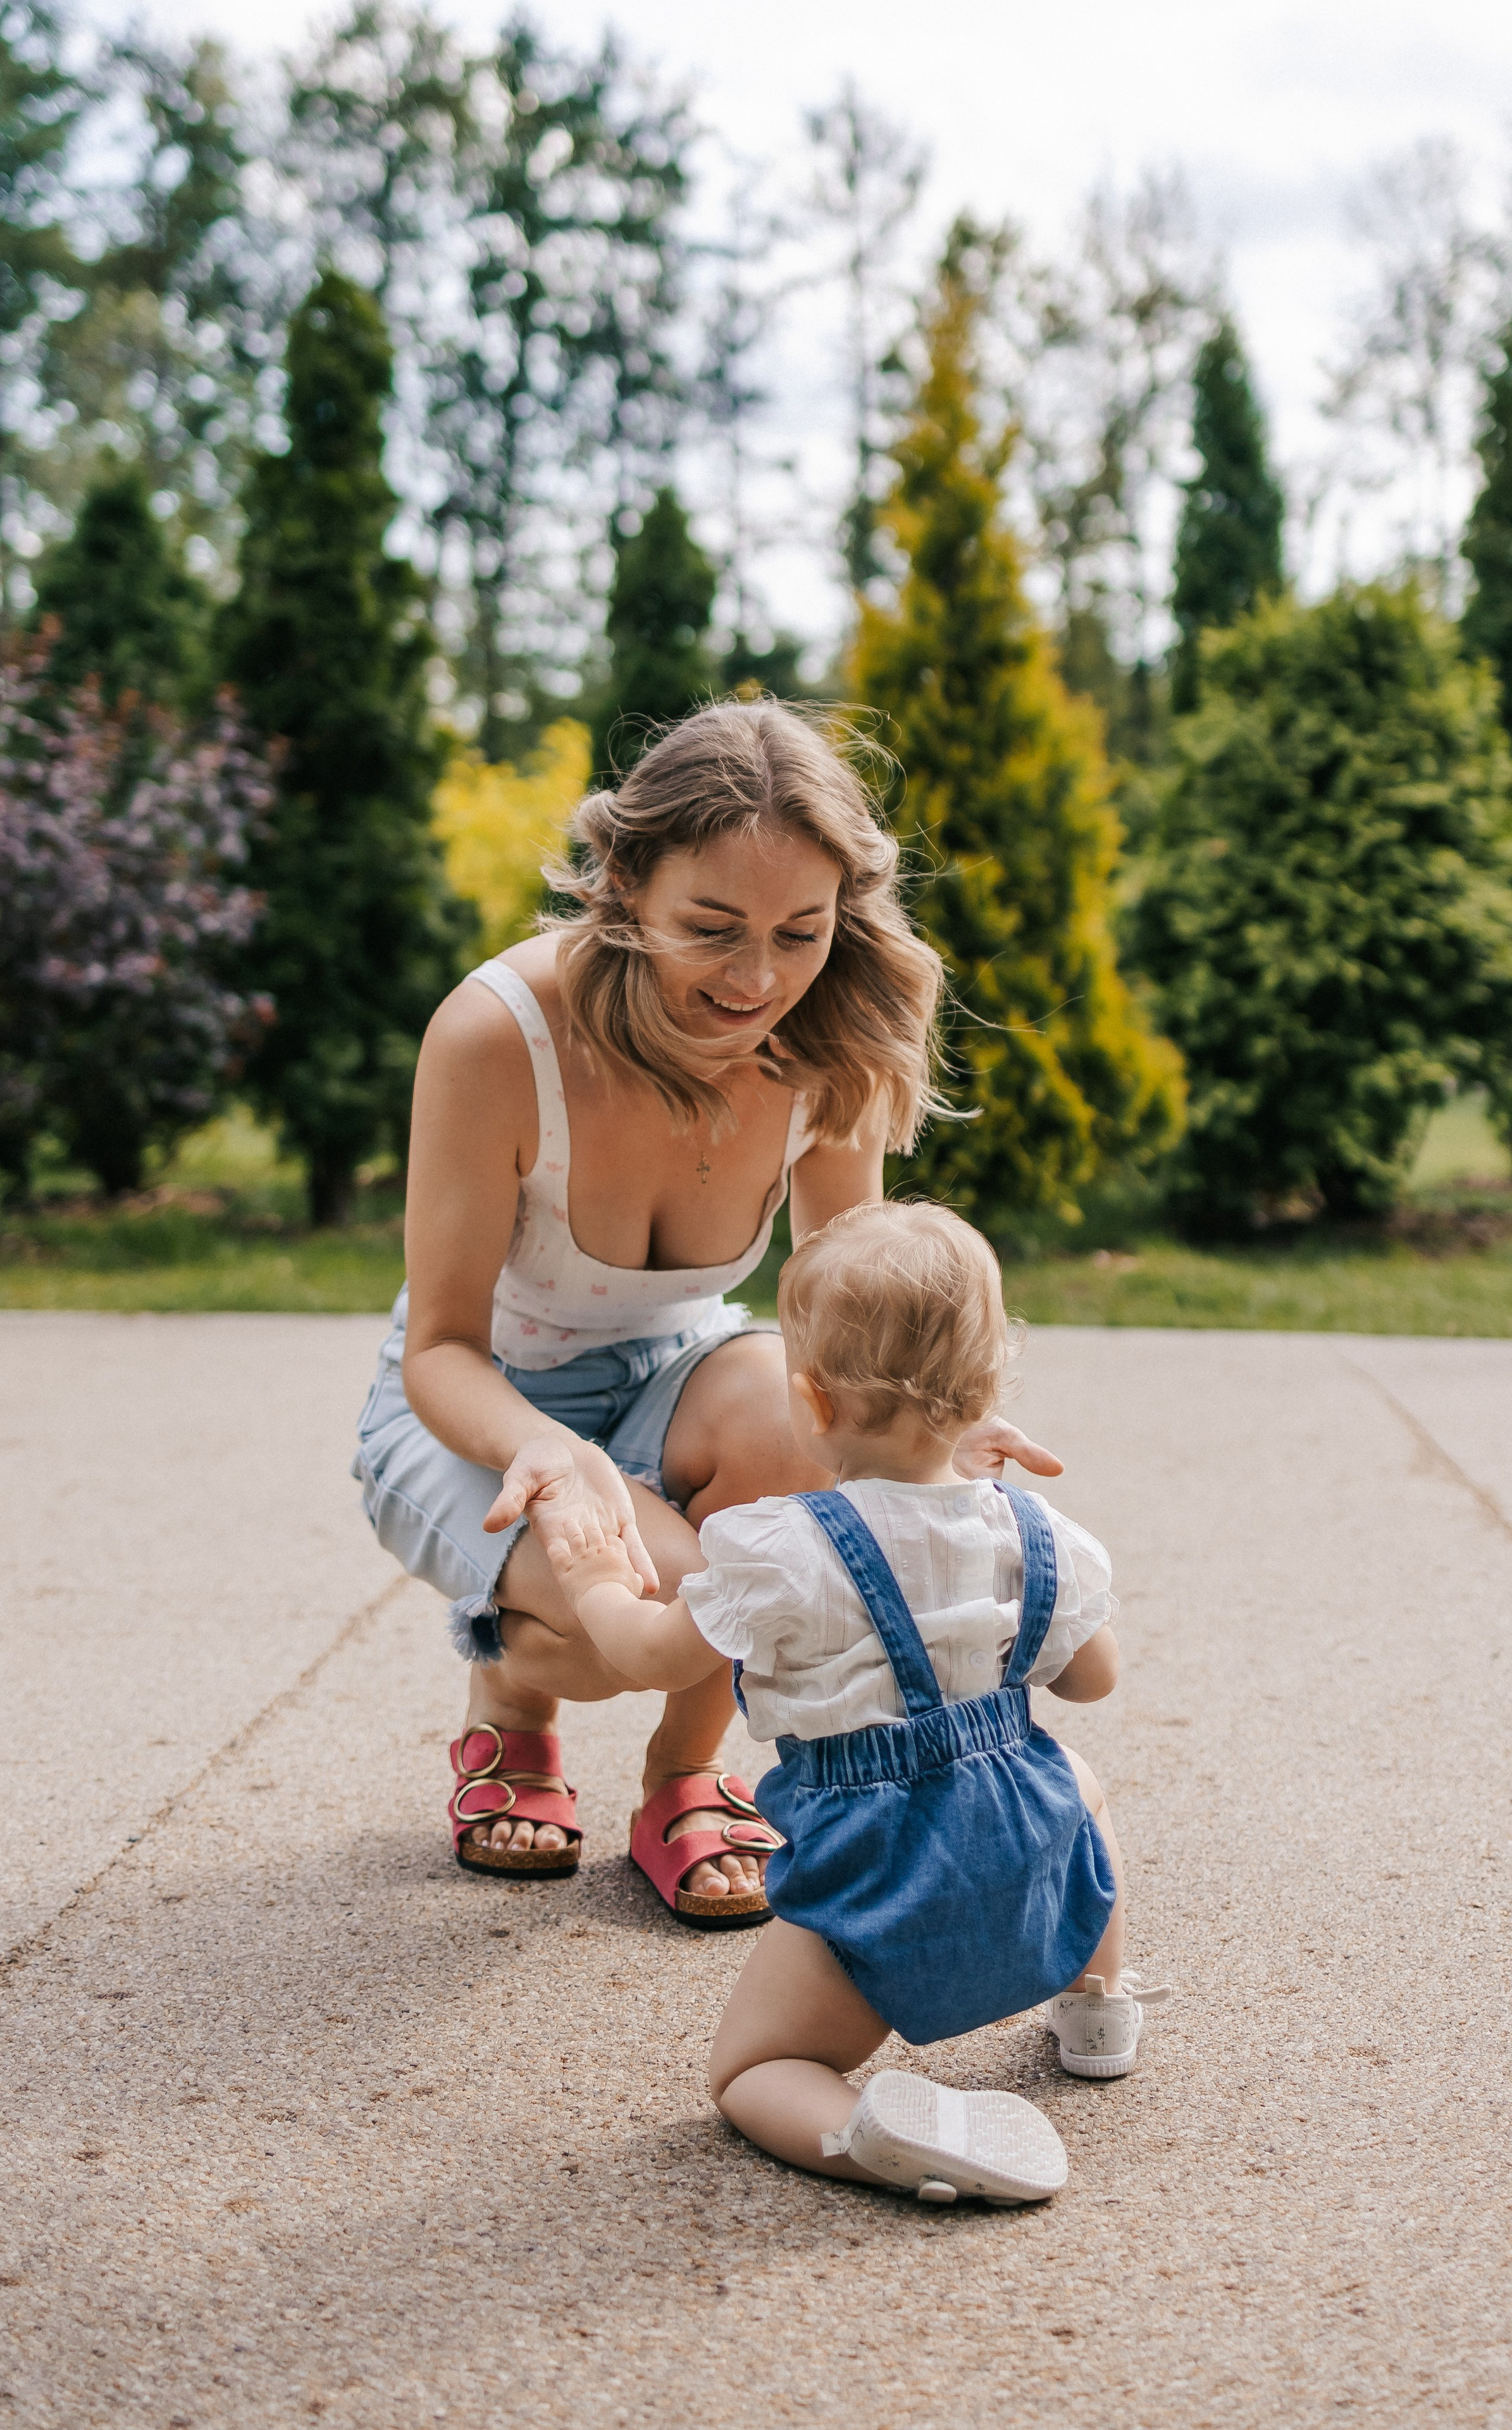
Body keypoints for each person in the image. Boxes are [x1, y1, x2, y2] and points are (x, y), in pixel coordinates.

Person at [351, 700, 1062, 1920]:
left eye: (802, 932)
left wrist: (934, 1446)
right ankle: (515, 1707)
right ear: (626, 881)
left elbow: (856, 1319)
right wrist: (553, 1453)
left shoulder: (830, 1036)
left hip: (677, 1373)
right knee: (671, 1610)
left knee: (805, 1438)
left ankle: (683, 1778)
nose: (758, 980)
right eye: (713, 929)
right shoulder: (495, 1036)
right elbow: (444, 1348)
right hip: (479, 1408)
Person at [549, 1201, 1168, 2205]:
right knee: (1079, 1785)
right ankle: (1097, 2004)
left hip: (878, 1889)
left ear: (815, 1401)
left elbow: (658, 1655)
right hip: (1028, 1883)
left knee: (749, 2074)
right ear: (988, 1386)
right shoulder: (1035, 1529)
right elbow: (1092, 1681)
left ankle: (861, 2129)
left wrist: (591, 1582)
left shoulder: (779, 1549)